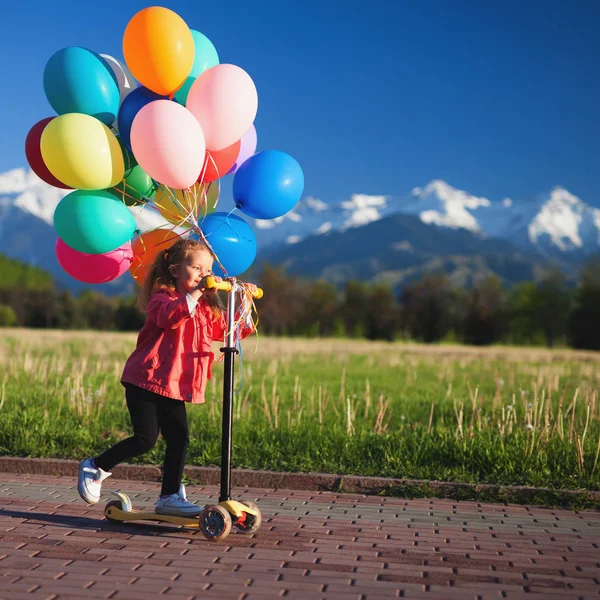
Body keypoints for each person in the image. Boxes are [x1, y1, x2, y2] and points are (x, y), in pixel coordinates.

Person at [77, 238, 256, 516]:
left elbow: (227, 330)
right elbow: (168, 318)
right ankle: (97, 466)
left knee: (179, 438)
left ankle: (169, 496)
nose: (203, 275)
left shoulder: (206, 308)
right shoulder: (163, 297)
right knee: (146, 438)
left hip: (174, 385)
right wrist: (196, 294)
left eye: (207, 271)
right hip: (145, 380)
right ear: (174, 271)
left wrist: (241, 300)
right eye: (196, 268)